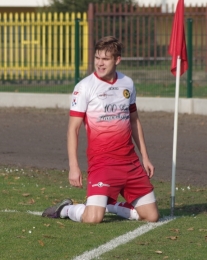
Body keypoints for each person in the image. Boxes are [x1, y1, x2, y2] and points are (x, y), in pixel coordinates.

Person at [42, 36, 159, 223]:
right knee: (92, 219)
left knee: (151, 216)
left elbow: (135, 120)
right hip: (102, 163)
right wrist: (74, 166)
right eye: (97, 58)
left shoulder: (127, 84)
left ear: (117, 60)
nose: (99, 63)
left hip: (129, 161)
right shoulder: (84, 87)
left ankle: (110, 205)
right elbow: (73, 129)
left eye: (105, 59)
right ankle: (67, 209)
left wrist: (145, 157)